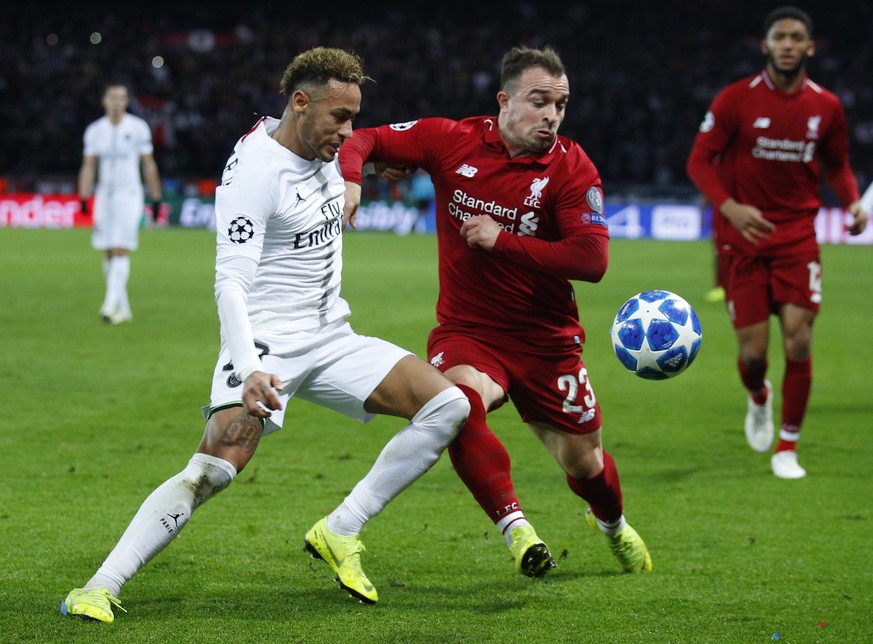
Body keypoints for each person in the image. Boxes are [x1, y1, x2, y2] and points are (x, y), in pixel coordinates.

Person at [61, 47, 470, 623]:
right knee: (213, 468)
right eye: (339, 117)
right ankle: (99, 586)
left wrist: (369, 169)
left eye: (355, 116)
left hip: (332, 335)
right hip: (267, 344)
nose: (349, 131)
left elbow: (360, 151)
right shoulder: (255, 173)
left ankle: (340, 527)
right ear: (300, 104)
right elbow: (230, 281)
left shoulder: (325, 144)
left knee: (448, 406)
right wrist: (248, 364)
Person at [340, 45, 652, 578]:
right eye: (539, 101)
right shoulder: (451, 140)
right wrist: (353, 176)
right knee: (456, 405)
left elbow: (592, 260)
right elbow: (365, 137)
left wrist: (502, 240)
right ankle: (517, 530)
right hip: (470, 333)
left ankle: (612, 524)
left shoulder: (571, 168)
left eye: (561, 104)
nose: (551, 115)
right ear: (504, 101)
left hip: (548, 342)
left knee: (587, 464)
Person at [686, 6, 868, 478]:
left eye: (797, 37)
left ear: (810, 47)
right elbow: (699, 163)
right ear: (765, 45)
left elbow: (837, 165)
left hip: (796, 238)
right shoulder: (735, 100)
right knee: (752, 354)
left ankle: (787, 446)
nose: (788, 44)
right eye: (779, 36)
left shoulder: (826, 106)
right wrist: (731, 207)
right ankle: (759, 395)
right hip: (742, 240)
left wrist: (850, 202)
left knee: (800, 341)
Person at [78, 83, 163, 324]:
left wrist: (155, 197)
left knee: (120, 248)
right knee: (107, 250)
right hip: (104, 195)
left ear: (126, 102)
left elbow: (148, 164)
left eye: (121, 98)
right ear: (104, 100)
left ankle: (108, 304)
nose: (116, 102)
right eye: (112, 97)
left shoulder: (137, 128)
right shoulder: (95, 130)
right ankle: (123, 308)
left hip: (129, 194)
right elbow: (89, 165)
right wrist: (84, 195)